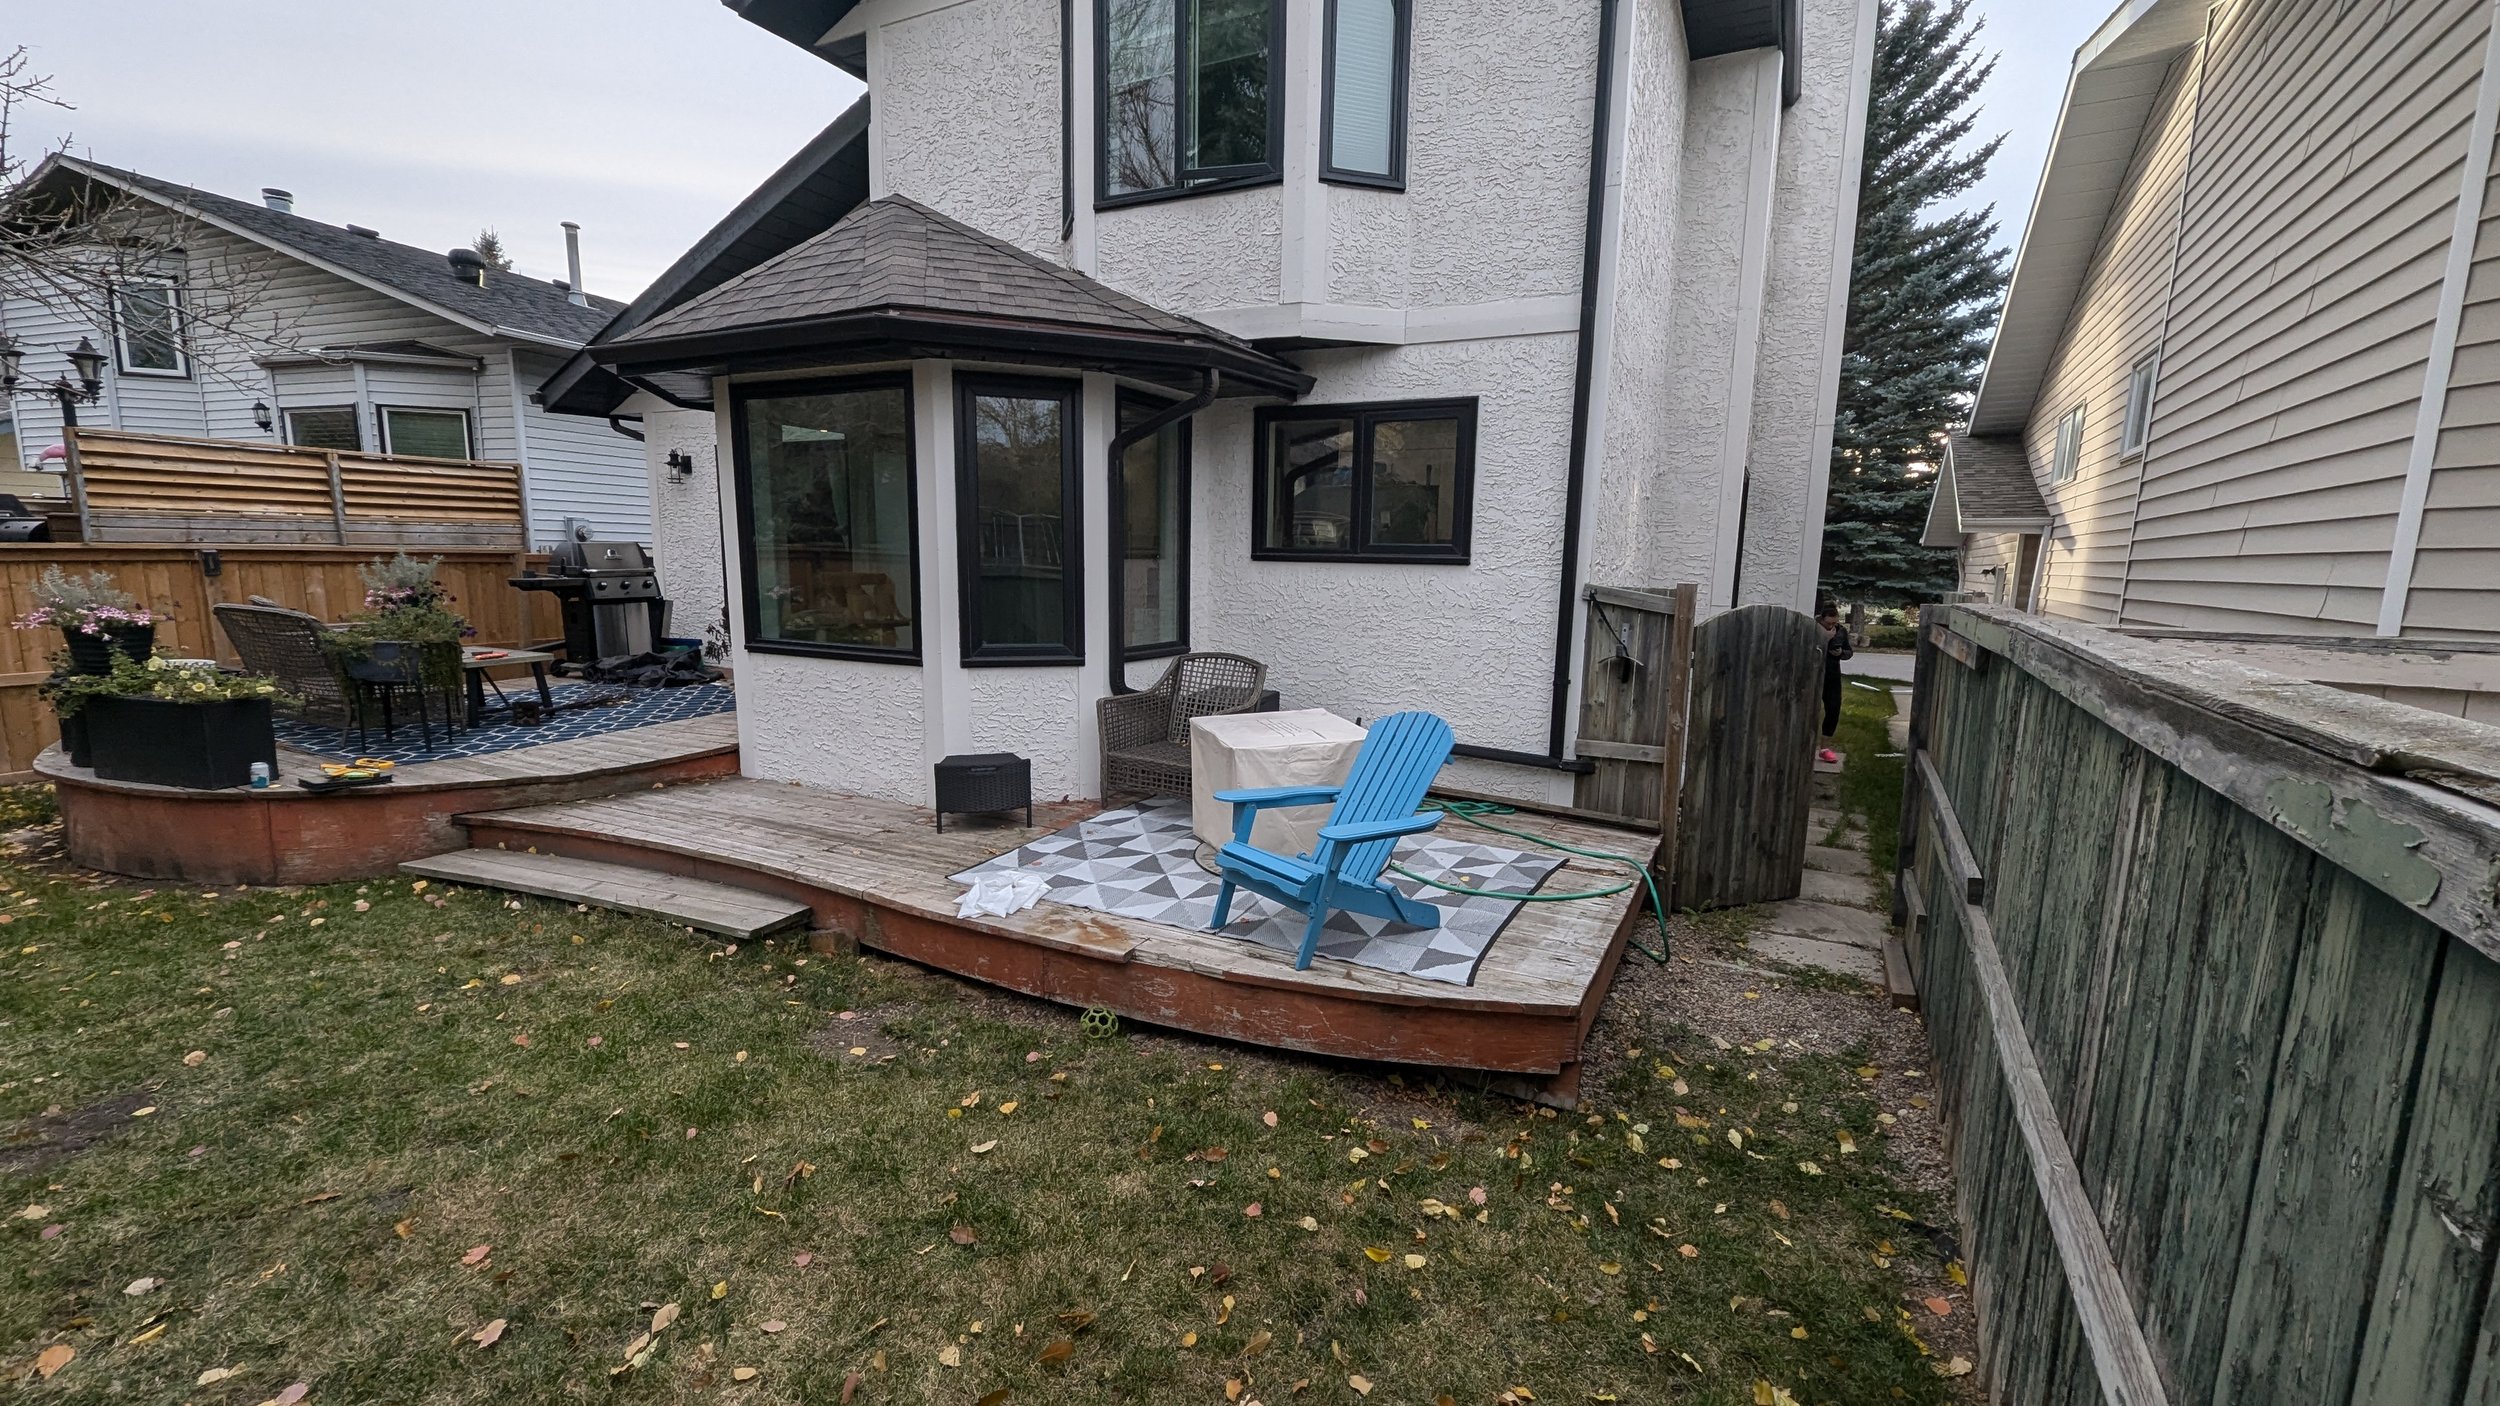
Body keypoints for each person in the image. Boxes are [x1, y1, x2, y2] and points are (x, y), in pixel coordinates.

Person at [1817, 603, 1852, 764]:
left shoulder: (1841, 631)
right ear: (1821, 619)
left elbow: (1848, 651)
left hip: (1832, 674)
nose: (1832, 626)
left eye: (1834, 623)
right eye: (1829, 623)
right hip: (1814, 674)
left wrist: (1841, 653)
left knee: (1833, 709)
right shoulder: (1813, 628)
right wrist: (1824, 639)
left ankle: (1825, 748)